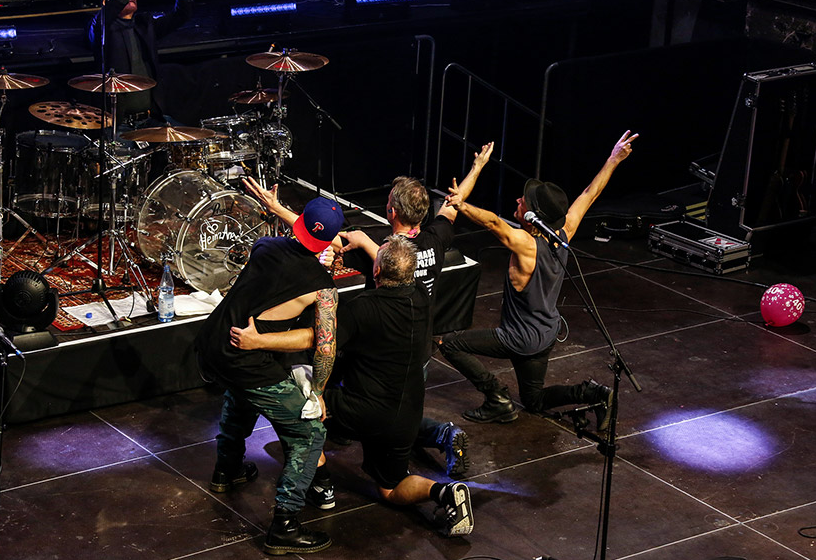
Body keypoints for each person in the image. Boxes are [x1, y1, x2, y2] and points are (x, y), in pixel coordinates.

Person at [241, 144, 491, 478]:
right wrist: (476, 168)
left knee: (362, 404)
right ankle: (439, 434)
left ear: (391, 212)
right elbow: (452, 207)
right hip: (418, 348)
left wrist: (278, 208)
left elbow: (322, 239)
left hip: (376, 342)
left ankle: (336, 461)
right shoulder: (436, 238)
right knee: (399, 407)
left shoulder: (381, 255)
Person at [232, 236, 474, 537]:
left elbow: (317, 340)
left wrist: (258, 341)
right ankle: (444, 493)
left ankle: (320, 485)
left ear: (376, 272)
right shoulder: (422, 298)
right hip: (406, 415)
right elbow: (393, 267)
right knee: (391, 489)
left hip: (362, 408)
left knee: (297, 400)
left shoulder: (362, 309)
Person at [439, 130, 639, 429]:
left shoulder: (527, 244)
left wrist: (462, 205)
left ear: (533, 215)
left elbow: (494, 223)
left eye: (524, 201)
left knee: (449, 343)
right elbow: (589, 194)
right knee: (533, 401)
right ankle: (593, 393)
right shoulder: (564, 232)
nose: (518, 199)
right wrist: (613, 159)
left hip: (519, 338)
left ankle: (495, 397)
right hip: (545, 333)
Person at [195, 196, 344, 557]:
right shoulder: (322, 288)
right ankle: (285, 527)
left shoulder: (265, 246)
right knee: (310, 433)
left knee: (242, 390)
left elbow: (299, 249)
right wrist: (317, 393)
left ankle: (226, 470)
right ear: (330, 244)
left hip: (213, 344)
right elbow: (324, 347)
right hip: (246, 356)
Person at [87, 0, 192, 128]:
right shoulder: (102, 28)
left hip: (152, 119)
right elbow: (102, 18)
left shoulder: (145, 24)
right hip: (118, 124)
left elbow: (181, 17)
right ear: (105, 2)